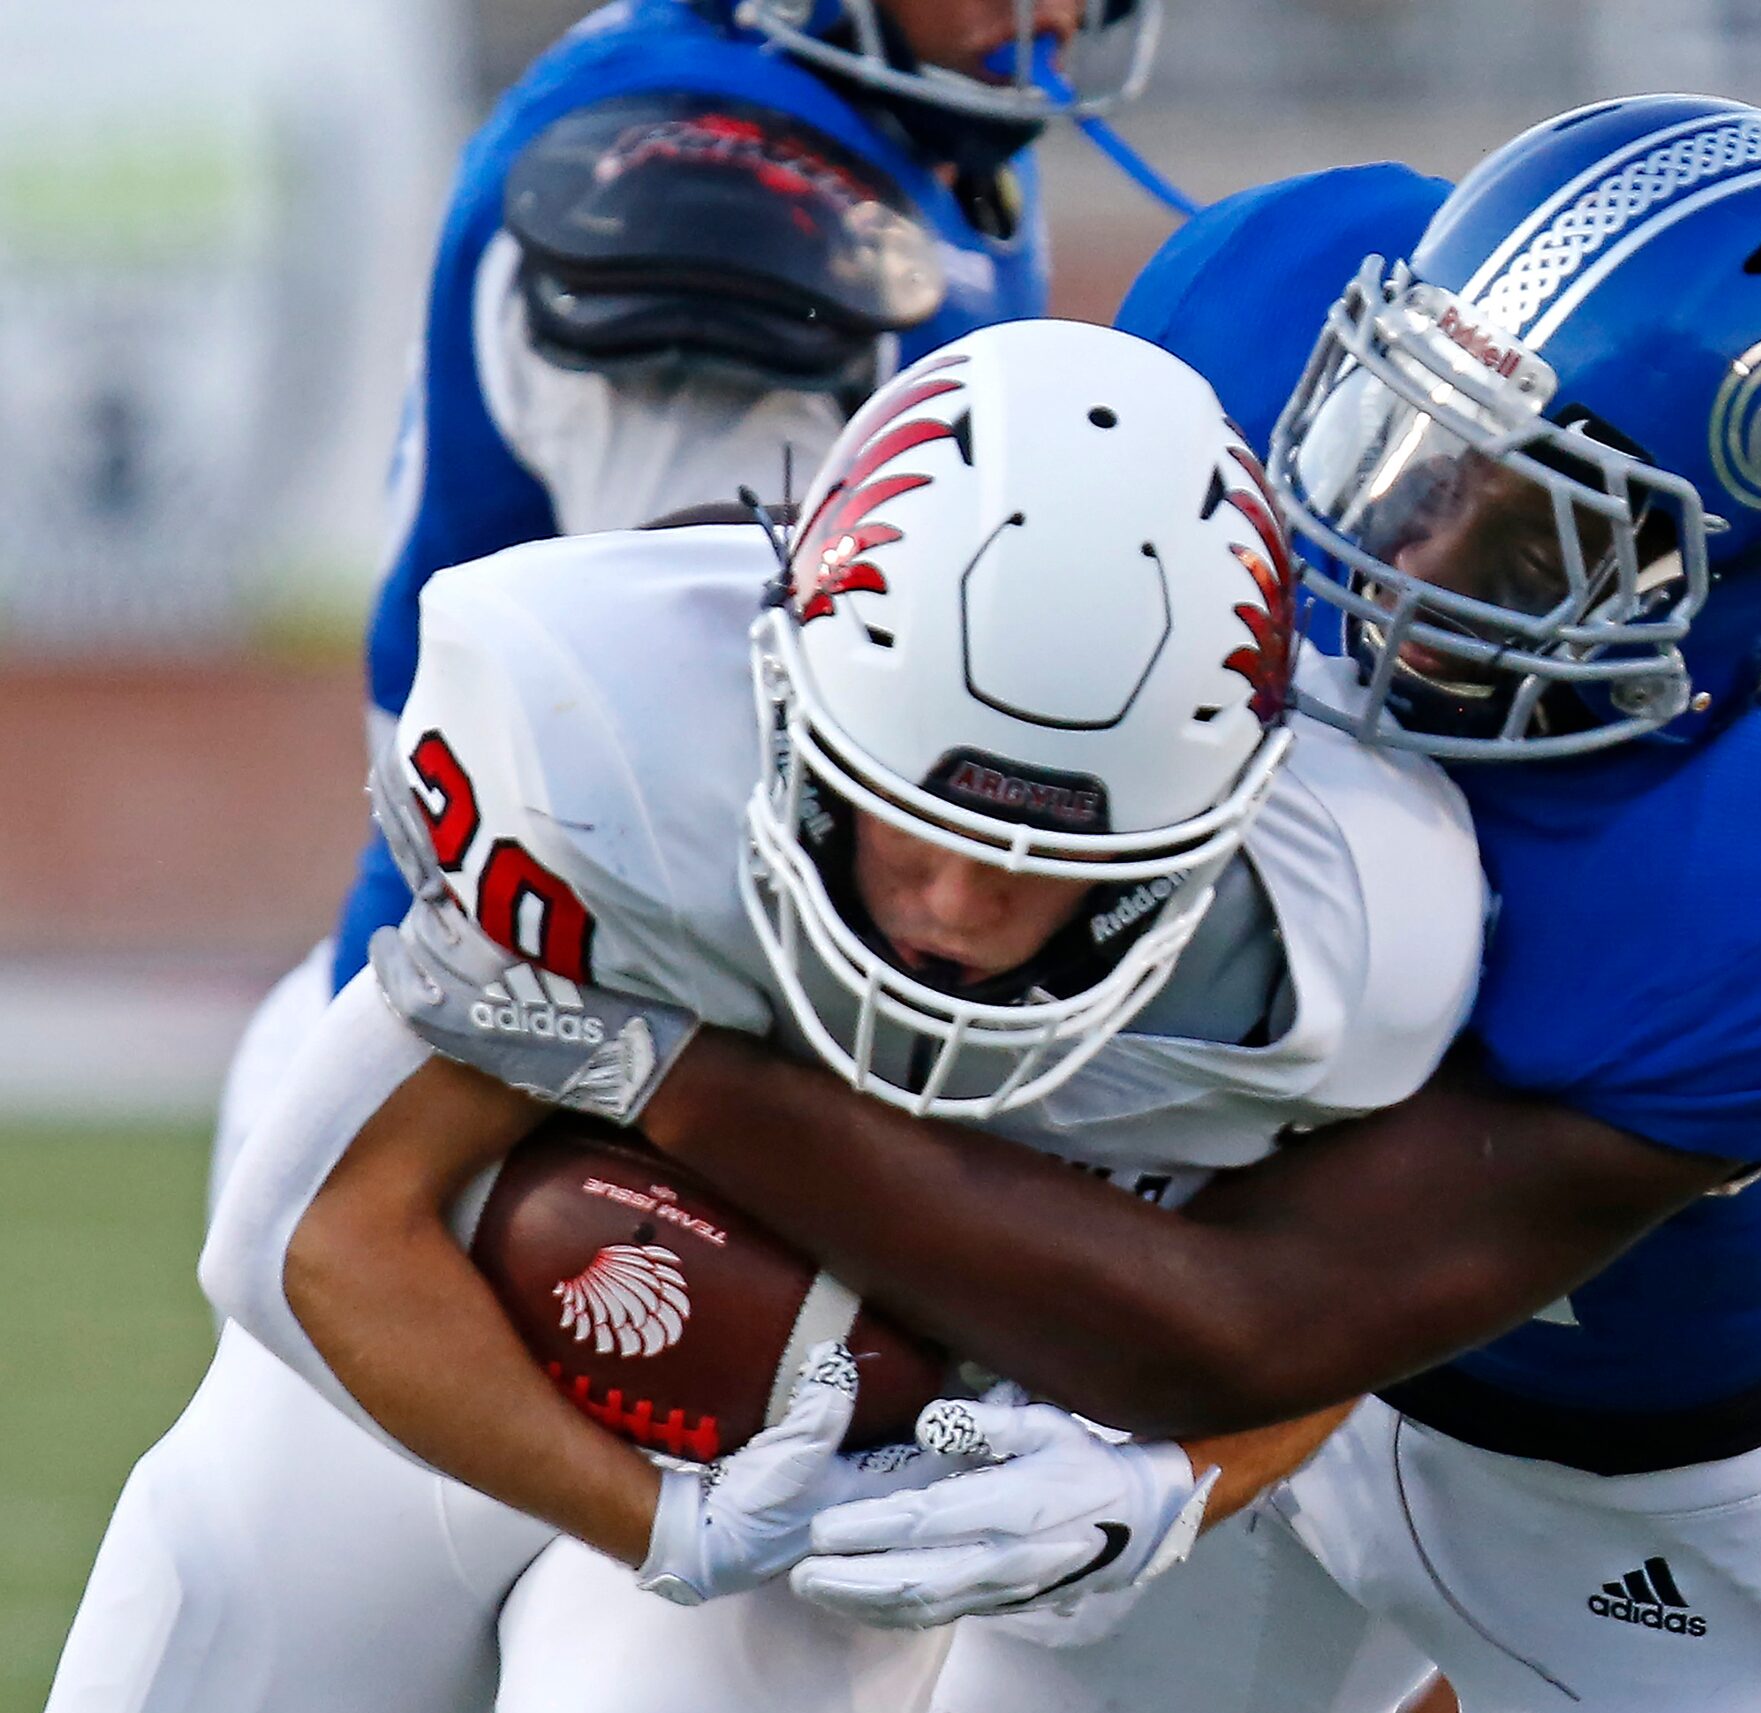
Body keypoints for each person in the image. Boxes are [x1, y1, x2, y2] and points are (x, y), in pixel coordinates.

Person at [396, 97, 1761, 1713]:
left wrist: (669, 1067)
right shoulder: (1271, 293)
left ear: (1753, 613)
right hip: (1221, 1344)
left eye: (1538, 541)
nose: (1414, 550)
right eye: (1411, 441)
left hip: (1657, 1489)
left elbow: (1257, 1313)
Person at [36, 321, 1485, 1713]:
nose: (952, 907)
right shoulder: (612, 746)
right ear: (789, 689)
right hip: (421, 1386)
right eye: (902, 817)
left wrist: (1169, 1482)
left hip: (826, 1504)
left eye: (1052, 862)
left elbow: (1338, 1313)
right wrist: (657, 1517)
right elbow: (307, 1233)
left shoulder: (1337, 950)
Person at [211, 0, 1164, 1191]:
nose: (1059, 13)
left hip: (584, 1023)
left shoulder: (876, 121)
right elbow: (677, 753)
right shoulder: (709, 194)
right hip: (530, 1060)